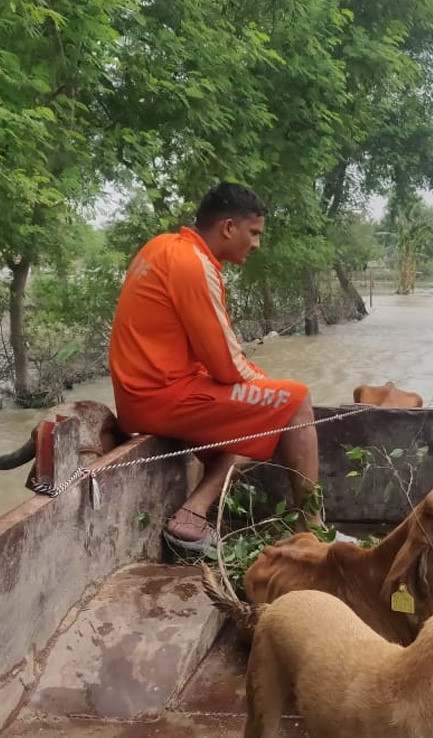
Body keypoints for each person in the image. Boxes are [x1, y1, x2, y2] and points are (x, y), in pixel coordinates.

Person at [108, 182, 322, 551]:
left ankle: (193, 512)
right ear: (228, 228)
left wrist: (264, 393)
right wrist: (269, 390)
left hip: (140, 396)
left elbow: (213, 358)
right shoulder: (194, 265)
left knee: (268, 409)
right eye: (253, 233)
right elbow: (227, 366)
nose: (256, 244)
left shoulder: (161, 246)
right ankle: (313, 526)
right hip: (161, 398)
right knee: (296, 401)